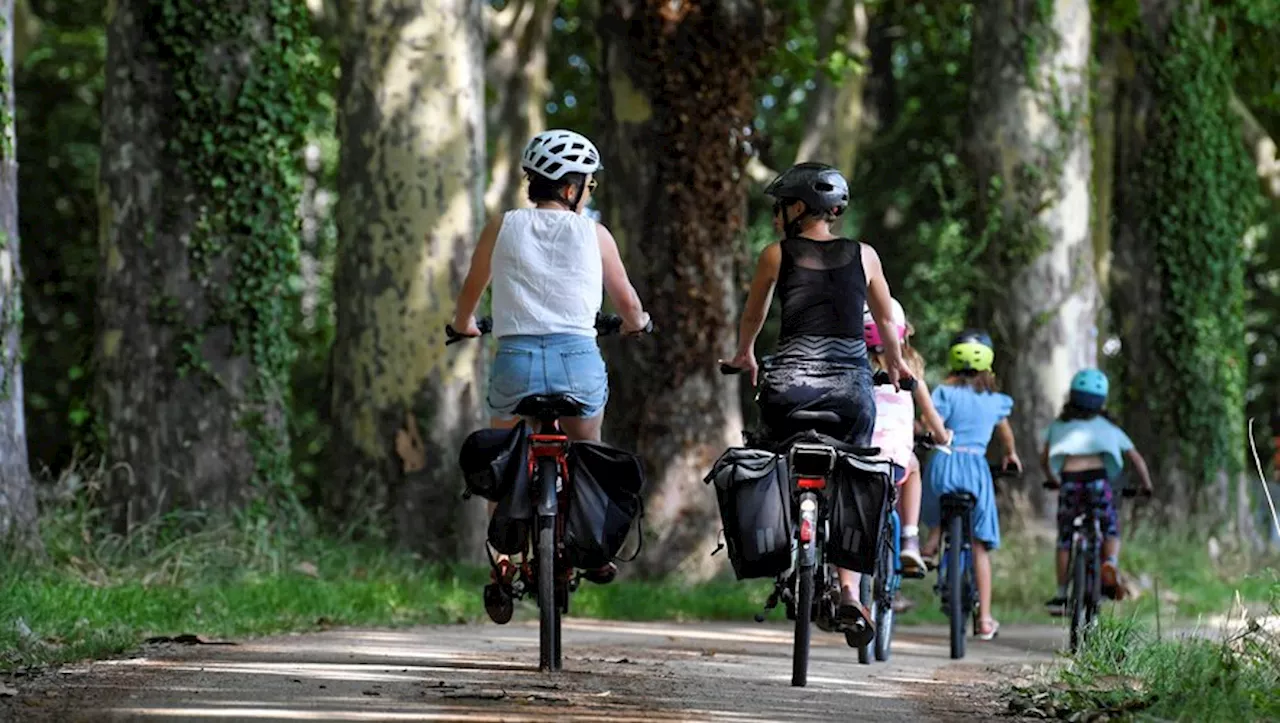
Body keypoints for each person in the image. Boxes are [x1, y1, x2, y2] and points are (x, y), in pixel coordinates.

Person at [451, 129, 650, 619]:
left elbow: (472, 289)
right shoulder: (595, 234)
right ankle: (593, 546)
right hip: (577, 362)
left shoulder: (502, 227)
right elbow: (627, 302)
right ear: (571, 187)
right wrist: (636, 324)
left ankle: (501, 561)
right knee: (588, 450)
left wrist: (464, 326)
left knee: (502, 459)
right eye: (588, 184)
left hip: (514, 362)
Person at [721, 161, 913, 647]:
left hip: (788, 386)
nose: (776, 216)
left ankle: (786, 538)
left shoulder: (775, 255)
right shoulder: (864, 255)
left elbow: (754, 315)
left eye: (781, 206)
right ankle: (850, 590)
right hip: (850, 390)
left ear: (800, 208)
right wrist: (895, 365)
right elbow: (887, 320)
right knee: (854, 468)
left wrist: (744, 355)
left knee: (774, 453)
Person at [919, 330, 1020, 641]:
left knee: (938, 503)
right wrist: (1011, 455)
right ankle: (985, 620)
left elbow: (929, 423)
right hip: (976, 470)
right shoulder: (994, 401)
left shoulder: (945, 394)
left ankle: (933, 541)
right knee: (979, 545)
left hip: (944, 465)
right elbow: (1005, 435)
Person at [1041, 368, 1154, 615]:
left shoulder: (1060, 425)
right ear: (1102, 400)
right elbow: (1136, 459)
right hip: (1098, 482)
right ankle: (1110, 563)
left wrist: (1052, 479)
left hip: (1070, 482)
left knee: (1064, 539)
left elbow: (1045, 457)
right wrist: (1146, 486)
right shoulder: (1109, 428)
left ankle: (1061, 594)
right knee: (1110, 527)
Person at [864, 299, 951, 577]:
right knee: (913, 466)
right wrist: (942, 437)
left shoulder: (854, 369)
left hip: (856, 454)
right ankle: (911, 540)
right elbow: (931, 414)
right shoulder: (908, 372)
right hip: (895, 458)